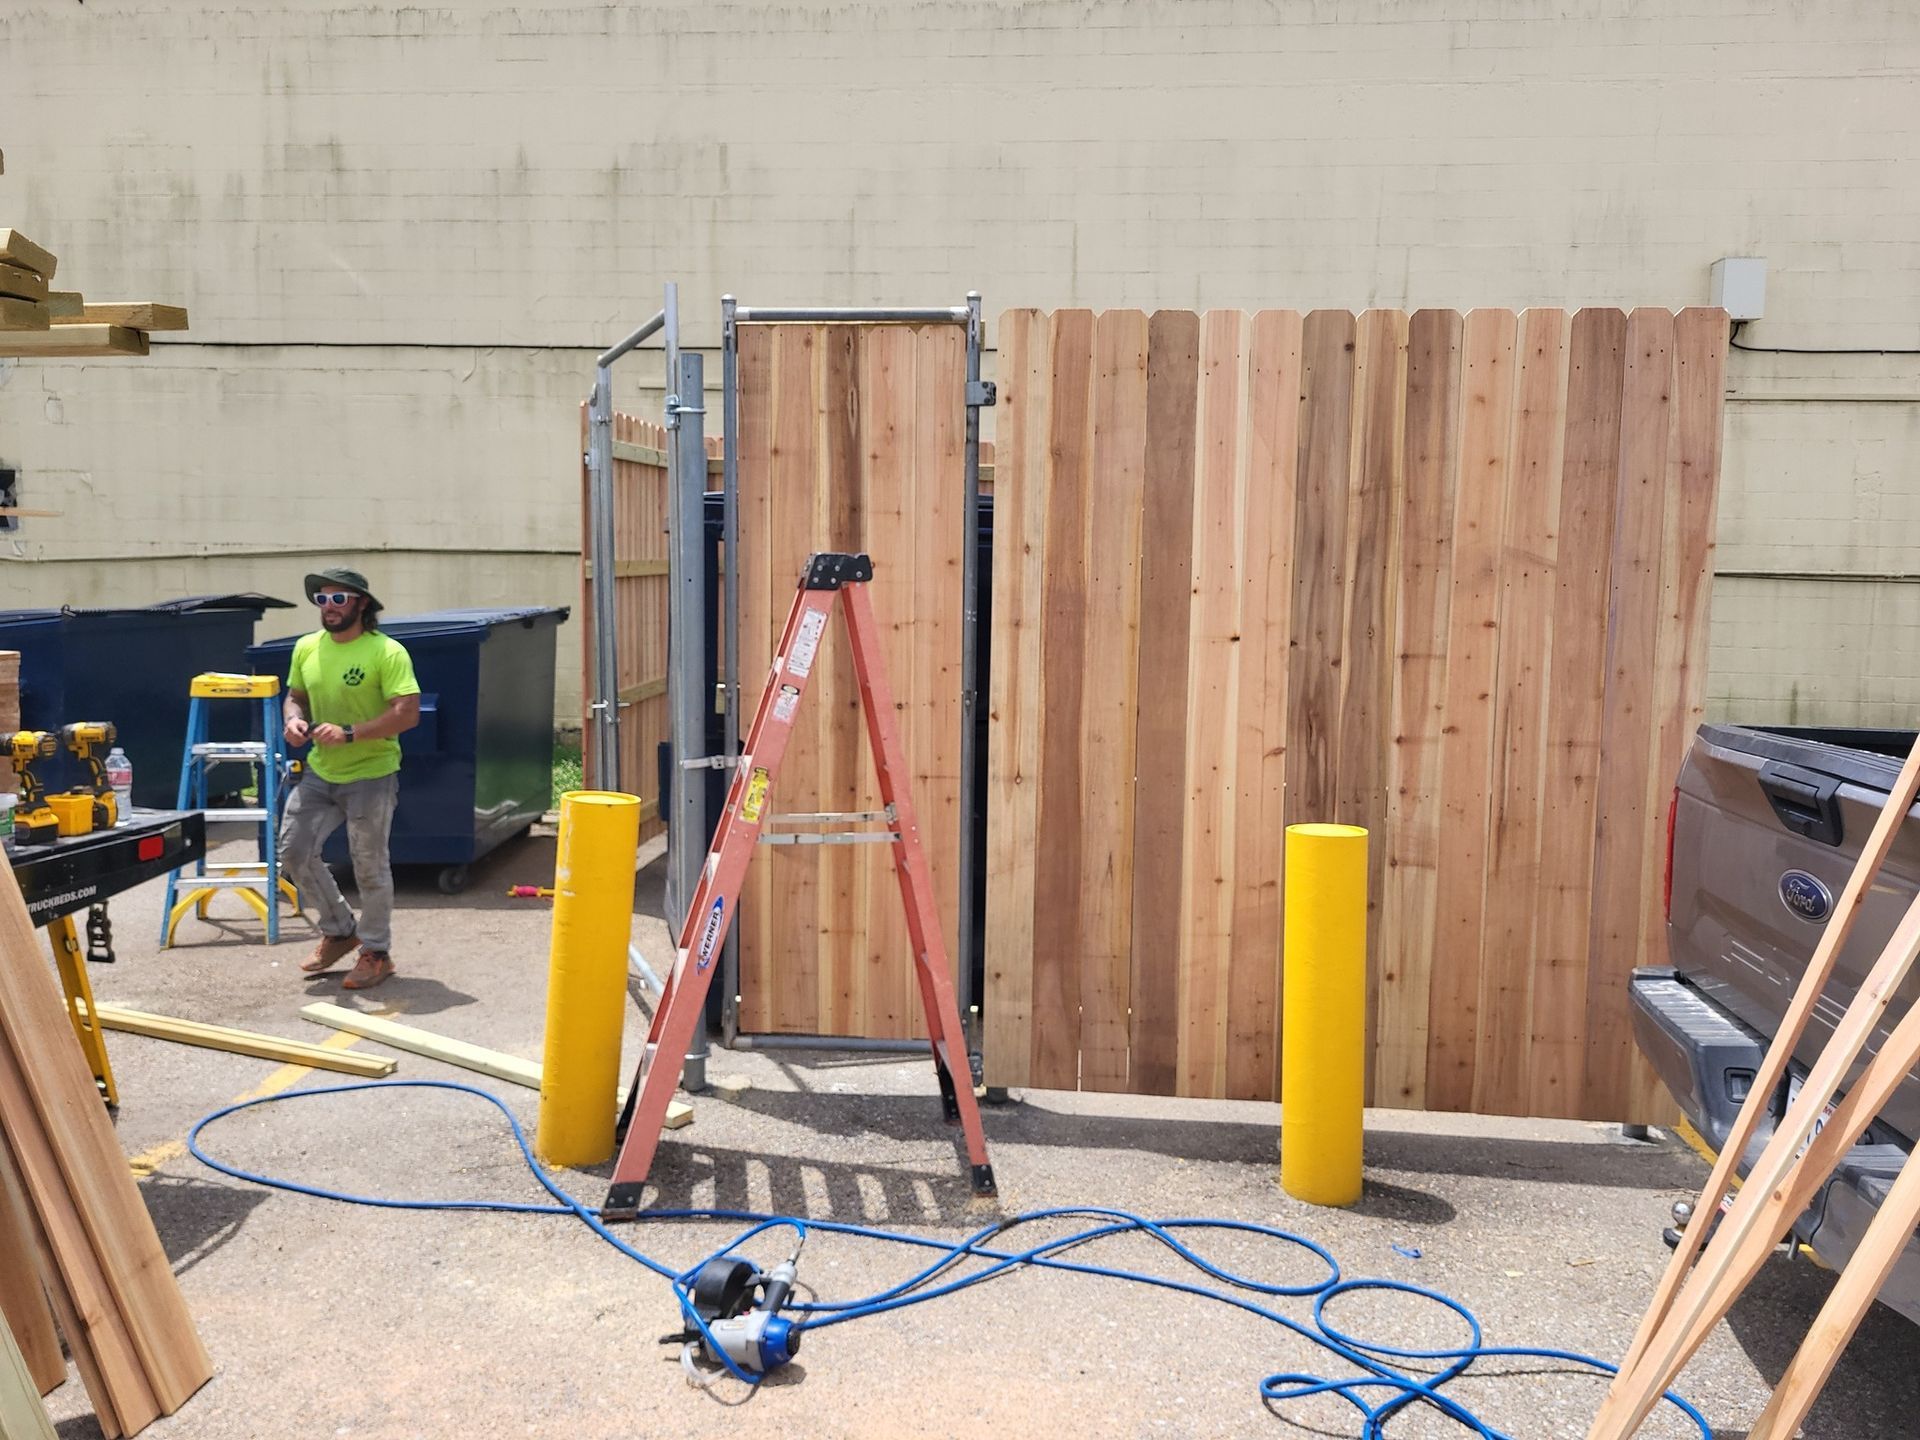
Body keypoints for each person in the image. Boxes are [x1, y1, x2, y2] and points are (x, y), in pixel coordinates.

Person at [280, 567, 421, 989]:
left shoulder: (387, 652)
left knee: (369, 866)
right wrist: (293, 721)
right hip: (322, 771)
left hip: (372, 775)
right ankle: (341, 929)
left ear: (360, 603)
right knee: (293, 851)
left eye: (339, 599)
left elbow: (407, 712)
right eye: (322, 600)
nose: (329, 608)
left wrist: (350, 733)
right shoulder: (306, 648)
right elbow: (295, 697)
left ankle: (376, 951)